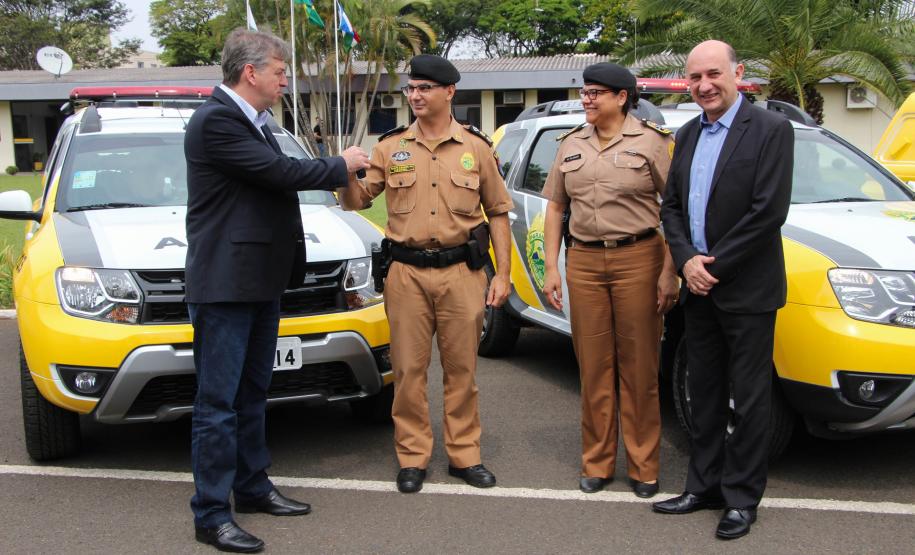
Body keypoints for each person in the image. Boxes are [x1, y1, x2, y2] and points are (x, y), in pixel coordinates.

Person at [184, 28, 370, 553]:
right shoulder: (217, 121)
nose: (285, 81)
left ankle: (252, 486)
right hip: (224, 285)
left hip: (260, 281)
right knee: (217, 404)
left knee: (252, 395)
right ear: (251, 73)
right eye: (280, 72)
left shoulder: (255, 121)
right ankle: (211, 513)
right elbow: (278, 172)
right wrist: (342, 165)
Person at [337, 54, 513, 494]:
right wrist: (341, 173)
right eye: (411, 88)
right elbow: (358, 200)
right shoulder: (389, 146)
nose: (415, 95)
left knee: (462, 372)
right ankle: (412, 456)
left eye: (425, 88)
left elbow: (499, 213)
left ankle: (464, 455)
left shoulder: (476, 147)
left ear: (449, 92)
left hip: (461, 273)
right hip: (407, 275)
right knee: (409, 371)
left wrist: (503, 275)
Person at [652, 40, 793, 540]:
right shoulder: (686, 134)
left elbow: (768, 212)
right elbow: (670, 207)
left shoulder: (772, 130)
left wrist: (711, 266)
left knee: (750, 399)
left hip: (746, 290)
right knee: (702, 393)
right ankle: (703, 486)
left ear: (738, 73)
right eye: (694, 78)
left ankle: (740, 499)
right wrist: (687, 260)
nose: (704, 85)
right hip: (699, 289)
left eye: (713, 74)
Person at [540, 63, 678, 499]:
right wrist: (550, 267)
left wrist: (669, 270)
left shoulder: (653, 143)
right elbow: (556, 209)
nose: (587, 99)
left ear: (622, 97)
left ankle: (643, 467)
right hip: (583, 261)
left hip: (639, 257)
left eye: (596, 93)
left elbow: (674, 210)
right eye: (584, 92)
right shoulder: (570, 144)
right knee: (594, 367)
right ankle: (597, 463)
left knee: (639, 370)